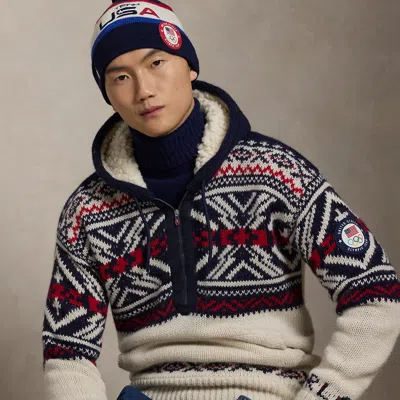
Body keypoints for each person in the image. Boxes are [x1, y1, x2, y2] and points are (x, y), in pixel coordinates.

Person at [41, 1, 400, 399]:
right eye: (121, 77)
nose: (144, 90)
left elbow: (375, 293)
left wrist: (324, 395)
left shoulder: (276, 173)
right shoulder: (87, 211)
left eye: (156, 63)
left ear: (189, 66)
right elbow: (66, 353)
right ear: (108, 93)